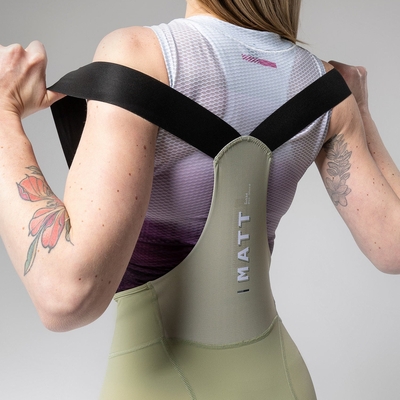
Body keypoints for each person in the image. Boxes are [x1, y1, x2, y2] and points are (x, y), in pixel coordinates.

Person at [0, 0, 399, 398]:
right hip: (280, 378)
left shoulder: (142, 57)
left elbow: (66, 296)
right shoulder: (325, 89)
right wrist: (361, 112)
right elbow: (392, 246)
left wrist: (3, 109)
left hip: (158, 384)